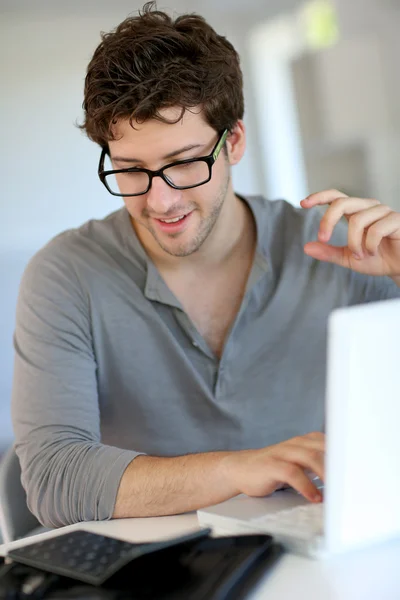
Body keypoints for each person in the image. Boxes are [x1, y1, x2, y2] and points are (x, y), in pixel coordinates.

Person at [11, 2, 400, 529]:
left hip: (313, 554)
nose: (161, 201)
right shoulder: (65, 274)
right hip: (151, 569)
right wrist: (238, 470)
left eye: (184, 163)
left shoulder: (341, 247)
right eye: (131, 170)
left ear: (233, 141)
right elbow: (57, 480)